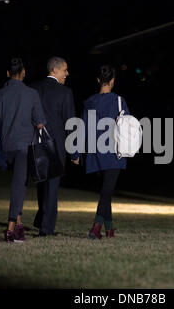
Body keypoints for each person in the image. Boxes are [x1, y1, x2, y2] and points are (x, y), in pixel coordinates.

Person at [0, 57, 46, 242]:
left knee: (20, 183)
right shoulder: (31, 94)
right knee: (19, 185)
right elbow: (41, 122)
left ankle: (19, 225)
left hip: (6, 146)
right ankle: (11, 228)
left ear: (7, 74)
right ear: (24, 72)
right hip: (24, 146)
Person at [71, 65, 129, 239]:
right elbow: (128, 127)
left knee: (106, 190)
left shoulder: (89, 102)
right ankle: (96, 227)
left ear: (98, 80)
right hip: (113, 151)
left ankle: (109, 229)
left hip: (96, 152)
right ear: (112, 81)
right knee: (107, 190)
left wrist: (76, 153)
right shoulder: (119, 100)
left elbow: (82, 129)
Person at [31, 56, 76, 236]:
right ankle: (46, 229)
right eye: (65, 70)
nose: (67, 73)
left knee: (41, 186)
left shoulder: (34, 88)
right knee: (51, 187)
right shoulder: (65, 93)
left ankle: (42, 220)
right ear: (54, 70)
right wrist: (74, 152)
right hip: (56, 146)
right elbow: (70, 124)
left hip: (35, 144)